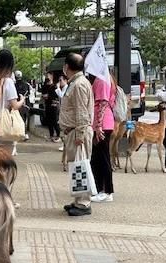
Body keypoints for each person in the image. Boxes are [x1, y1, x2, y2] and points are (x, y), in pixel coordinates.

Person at [59, 53, 94, 216]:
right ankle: (78, 200)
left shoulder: (78, 84)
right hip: (74, 131)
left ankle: (83, 203)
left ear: (67, 67)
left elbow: (81, 112)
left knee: (81, 167)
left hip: (77, 132)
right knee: (77, 167)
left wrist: (80, 134)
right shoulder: (78, 82)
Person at [89, 74, 115, 203]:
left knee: (102, 158)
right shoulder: (105, 78)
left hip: (102, 124)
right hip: (102, 123)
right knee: (98, 158)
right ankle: (100, 189)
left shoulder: (102, 79)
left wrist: (98, 125)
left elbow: (103, 102)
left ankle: (106, 190)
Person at [0, 50, 25, 156]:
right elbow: (14, 106)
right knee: (5, 163)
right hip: (5, 127)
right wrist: (22, 100)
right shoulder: (8, 82)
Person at [42, 72, 61, 143]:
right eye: (46, 76)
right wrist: (45, 96)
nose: (47, 77)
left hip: (53, 106)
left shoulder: (54, 86)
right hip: (47, 106)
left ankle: (58, 135)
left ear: (52, 76)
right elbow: (43, 94)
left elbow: (56, 96)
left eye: (48, 76)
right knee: (49, 121)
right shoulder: (44, 86)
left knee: (54, 121)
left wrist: (48, 96)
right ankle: (51, 135)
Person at [14, 70, 33, 141]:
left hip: (18, 104)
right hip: (26, 104)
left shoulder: (14, 85)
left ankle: (23, 133)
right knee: (24, 119)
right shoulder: (27, 85)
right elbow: (30, 94)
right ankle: (25, 133)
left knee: (19, 119)